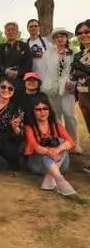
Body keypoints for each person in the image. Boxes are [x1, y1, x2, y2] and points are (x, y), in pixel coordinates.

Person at [25, 95, 77, 196]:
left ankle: (50, 180)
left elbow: (71, 142)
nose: (42, 112)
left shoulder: (55, 124)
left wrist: (56, 150)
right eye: (38, 109)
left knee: (62, 142)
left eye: (45, 108)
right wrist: (49, 151)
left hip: (61, 165)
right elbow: (35, 146)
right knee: (48, 151)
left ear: (49, 110)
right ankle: (60, 180)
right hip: (38, 164)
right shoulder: (29, 127)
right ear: (33, 112)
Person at [41, 28, 81, 153]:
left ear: (66, 38)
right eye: (57, 37)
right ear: (54, 39)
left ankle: (74, 143)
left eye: (62, 36)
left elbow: (76, 69)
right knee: (55, 116)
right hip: (51, 88)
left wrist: (72, 82)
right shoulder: (48, 53)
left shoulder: (73, 51)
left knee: (69, 115)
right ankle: (59, 141)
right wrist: (46, 84)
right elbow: (44, 70)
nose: (59, 39)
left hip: (68, 87)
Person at [71, 19, 90, 165]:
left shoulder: (78, 59)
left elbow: (79, 69)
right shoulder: (78, 55)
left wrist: (81, 68)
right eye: (80, 33)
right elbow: (73, 73)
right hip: (82, 94)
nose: (83, 35)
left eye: (86, 32)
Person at [0, 22, 32, 91]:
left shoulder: (24, 46)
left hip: (21, 80)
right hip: (5, 79)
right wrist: (6, 71)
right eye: (8, 30)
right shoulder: (1, 47)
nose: (10, 32)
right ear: (5, 32)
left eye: (13, 30)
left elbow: (28, 64)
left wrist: (17, 72)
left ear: (17, 32)